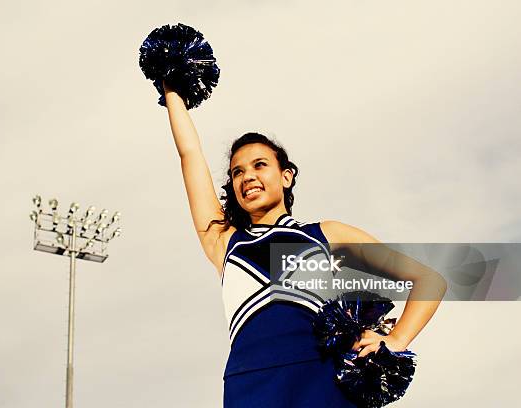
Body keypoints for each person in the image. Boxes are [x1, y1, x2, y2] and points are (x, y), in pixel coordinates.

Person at [161, 81, 448, 407]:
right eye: (237, 172)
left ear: (286, 176)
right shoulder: (225, 242)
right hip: (250, 384)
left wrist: (396, 339)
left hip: (321, 379)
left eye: (260, 165)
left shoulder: (327, 234)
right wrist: (172, 87)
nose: (247, 176)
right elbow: (190, 155)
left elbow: (429, 280)